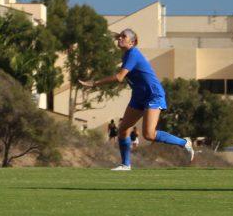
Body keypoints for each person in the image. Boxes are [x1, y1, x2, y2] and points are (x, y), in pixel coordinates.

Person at [79, 28, 194, 171]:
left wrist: (94, 83)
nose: (120, 39)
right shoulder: (127, 54)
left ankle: (184, 142)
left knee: (149, 134)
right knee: (123, 129)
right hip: (139, 96)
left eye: (124, 37)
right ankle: (125, 165)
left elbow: (119, 77)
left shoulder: (133, 54)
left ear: (132, 42)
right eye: (119, 36)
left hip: (153, 95)